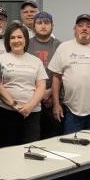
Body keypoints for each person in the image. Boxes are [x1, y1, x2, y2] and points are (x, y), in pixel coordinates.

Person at [0, 22, 47, 147]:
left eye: (19, 37)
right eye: (12, 37)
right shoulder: (0, 59)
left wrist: (29, 106)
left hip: (32, 113)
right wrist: (14, 104)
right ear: (8, 41)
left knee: (30, 150)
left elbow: (41, 86)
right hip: (7, 112)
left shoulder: (36, 61)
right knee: (6, 151)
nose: (16, 40)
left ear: (25, 40)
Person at [28, 11, 62, 139]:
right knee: (32, 138)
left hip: (53, 100)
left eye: (47, 23)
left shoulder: (60, 46)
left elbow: (63, 73)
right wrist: (38, 93)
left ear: (52, 26)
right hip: (30, 98)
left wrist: (50, 92)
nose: (43, 26)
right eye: (39, 23)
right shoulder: (26, 44)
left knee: (52, 139)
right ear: (33, 26)